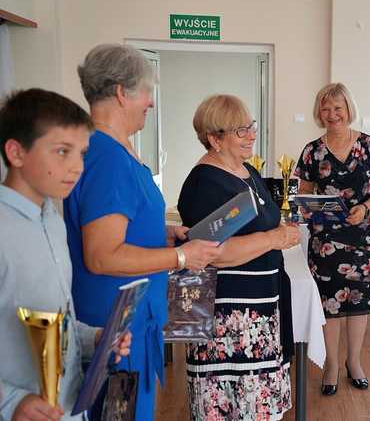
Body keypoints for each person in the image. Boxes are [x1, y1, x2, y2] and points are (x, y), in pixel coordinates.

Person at [64, 44, 222, 421]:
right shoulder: (107, 158)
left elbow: (120, 225)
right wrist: (182, 256)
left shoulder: (114, 151)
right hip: (115, 334)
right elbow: (101, 254)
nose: (151, 103)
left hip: (129, 325)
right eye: (147, 91)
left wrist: (162, 234)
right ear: (122, 92)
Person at [0, 88, 131, 421]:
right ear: (16, 152)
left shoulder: (53, 222)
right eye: (62, 151)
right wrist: (11, 401)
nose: (77, 167)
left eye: (82, 153)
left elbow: (59, 322)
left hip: (70, 407)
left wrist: (96, 340)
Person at [177, 94, 299, 420]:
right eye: (240, 131)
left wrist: (278, 229)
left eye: (251, 126)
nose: (251, 135)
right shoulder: (204, 182)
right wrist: (273, 237)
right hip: (229, 323)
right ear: (214, 139)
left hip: (259, 312)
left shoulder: (244, 169)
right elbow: (213, 254)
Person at [294, 83, 370, 395]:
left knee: (359, 303)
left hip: (364, 237)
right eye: (325, 108)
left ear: (348, 108)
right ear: (319, 112)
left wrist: (365, 207)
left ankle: (354, 362)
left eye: (338, 107)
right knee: (329, 304)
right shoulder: (311, 150)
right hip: (326, 242)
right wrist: (313, 206)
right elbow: (301, 195)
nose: (332, 114)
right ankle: (332, 363)